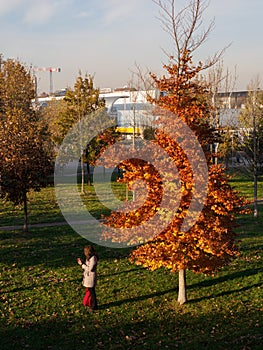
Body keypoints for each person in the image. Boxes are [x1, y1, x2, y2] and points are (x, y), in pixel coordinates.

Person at [77, 245, 98, 312]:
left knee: (92, 292)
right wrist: (82, 262)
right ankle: (91, 304)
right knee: (90, 291)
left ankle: (94, 306)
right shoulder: (89, 258)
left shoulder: (93, 258)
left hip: (91, 277)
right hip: (88, 277)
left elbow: (89, 268)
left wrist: (82, 265)